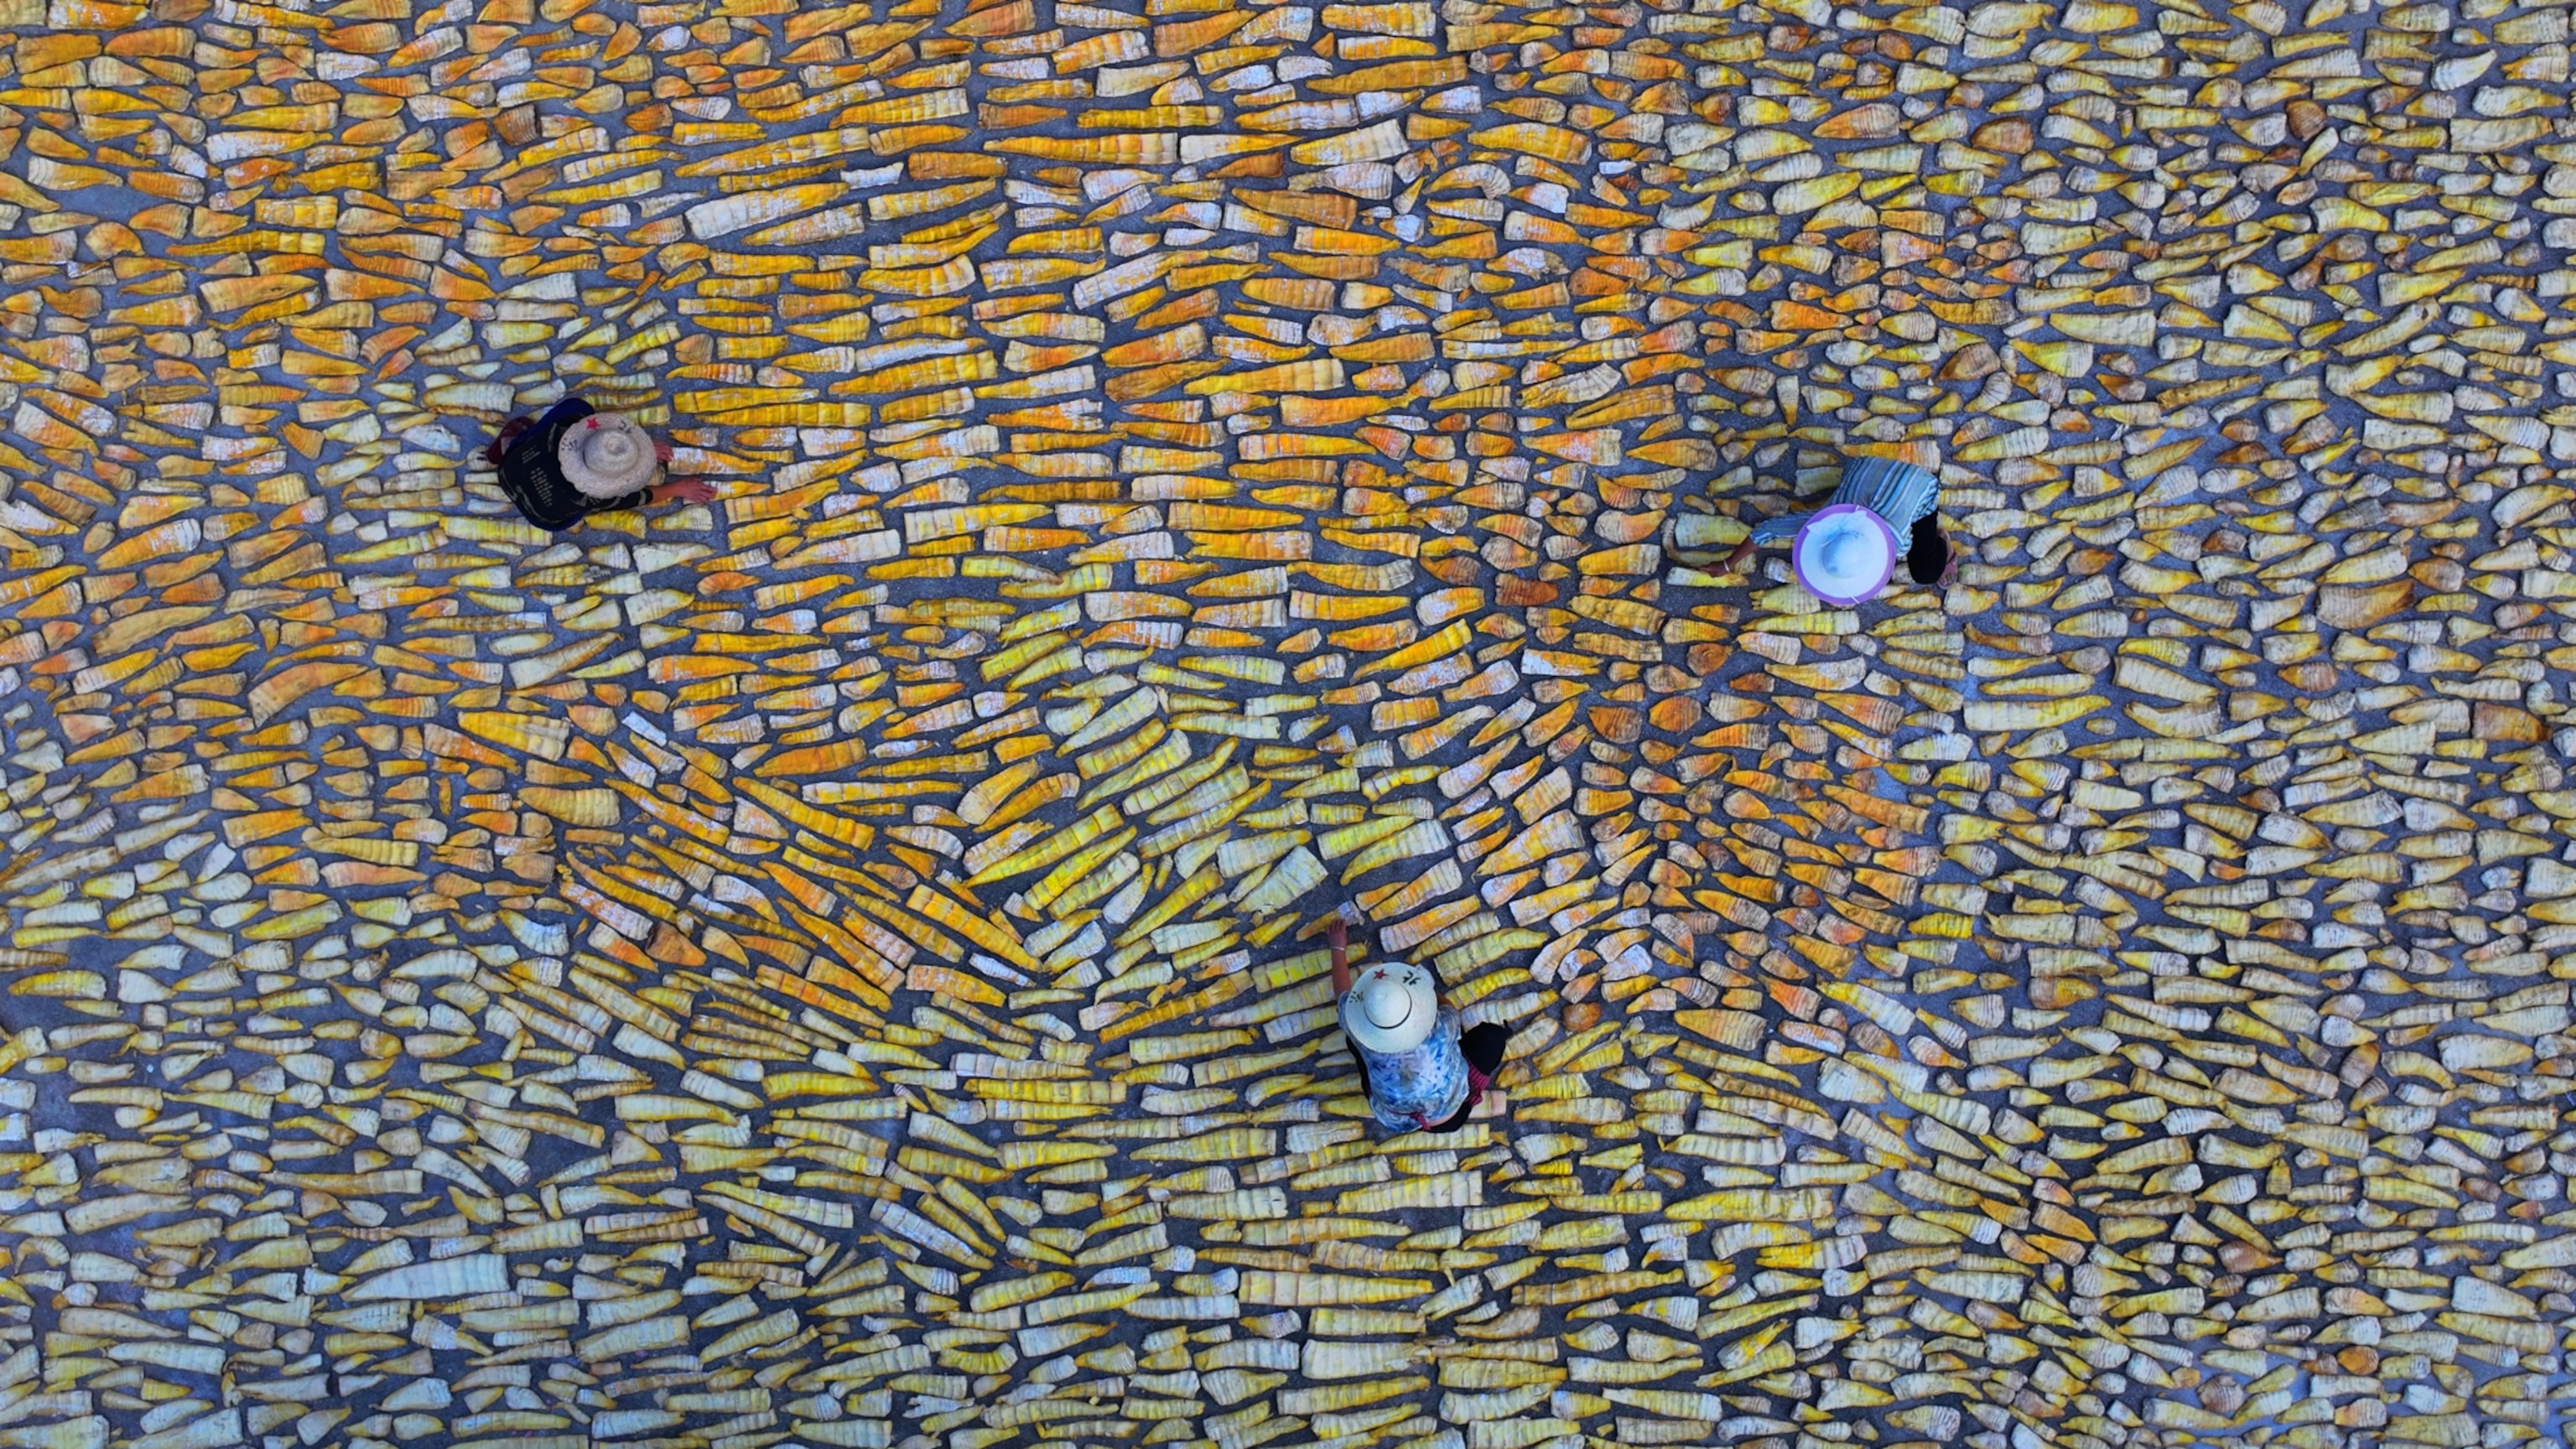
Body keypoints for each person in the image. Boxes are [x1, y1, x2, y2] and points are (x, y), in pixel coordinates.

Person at [1329, 916, 1507, 1133]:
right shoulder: (1439, 1030)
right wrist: (1426, 990)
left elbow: (1343, 996)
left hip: (1400, 1118)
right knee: (1493, 1037)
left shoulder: (1358, 1032)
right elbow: (1448, 1007)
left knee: (1353, 1040)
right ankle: (1454, 1114)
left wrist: (1337, 947)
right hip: (1450, 1112)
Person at [1725, 449, 1955, 605]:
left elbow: (1768, 529)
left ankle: (1943, 541)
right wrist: (1726, 564)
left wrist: (1727, 564)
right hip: (1866, 466)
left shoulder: (1899, 543)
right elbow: (1767, 529)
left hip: (1921, 484)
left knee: (1925, 572)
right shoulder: (1818, 521)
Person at [483, 397, 714, 531]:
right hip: (543, 517)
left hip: (509, 472)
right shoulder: (594, 497)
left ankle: (504, 446)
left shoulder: (562, 429)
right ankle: (505, 447)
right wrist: (680, 489)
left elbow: (592, 427)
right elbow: (643, 497)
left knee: (578, 406)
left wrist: (635, 446)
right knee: (569, 517)